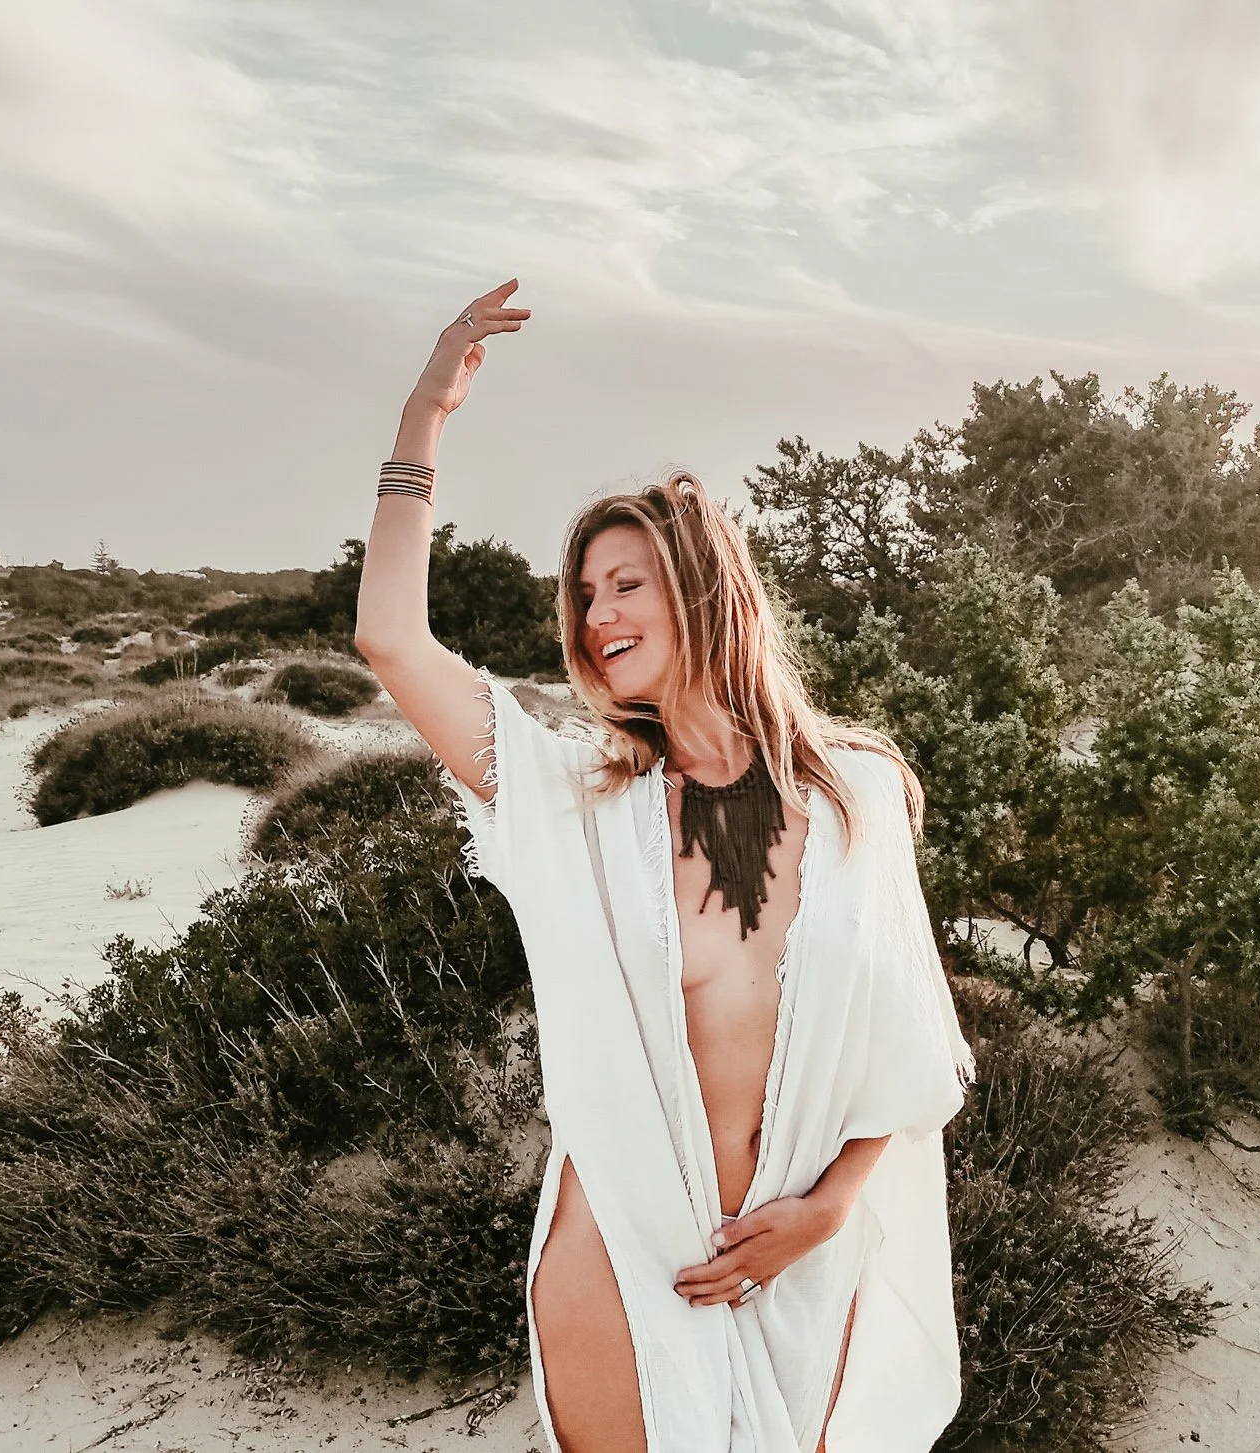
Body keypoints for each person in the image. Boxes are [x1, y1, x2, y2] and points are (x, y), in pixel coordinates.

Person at [354, 280, 977, 1453]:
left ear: (702, 587)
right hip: (625, 1255)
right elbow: (389, 636)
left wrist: (826, 1211)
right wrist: (423, 416)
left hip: (797, 1256)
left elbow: (911, 1048)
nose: (594, 615)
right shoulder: (580, 803)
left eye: (624, 583)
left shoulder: (858, 795)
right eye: (584, 595)